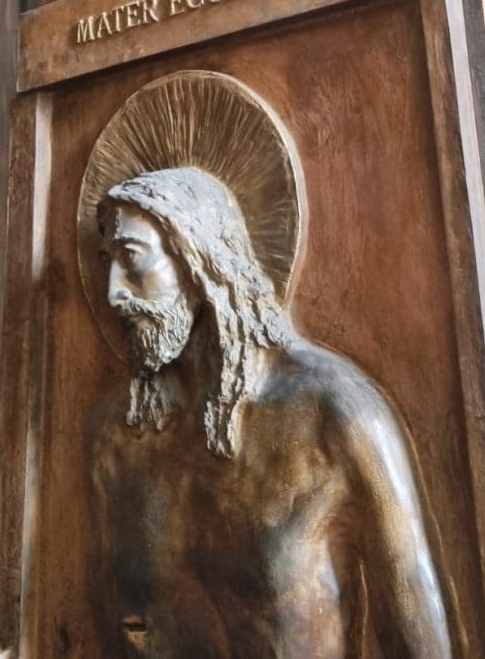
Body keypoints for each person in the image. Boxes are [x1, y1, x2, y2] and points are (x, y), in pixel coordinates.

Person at [89, 168, 453, 658]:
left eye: (131, 257)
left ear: (200, 259)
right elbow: (117, 623)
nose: (113, 292)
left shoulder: (333, 411)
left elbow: (416, 629)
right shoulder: (119, 435)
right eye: (106, 262)